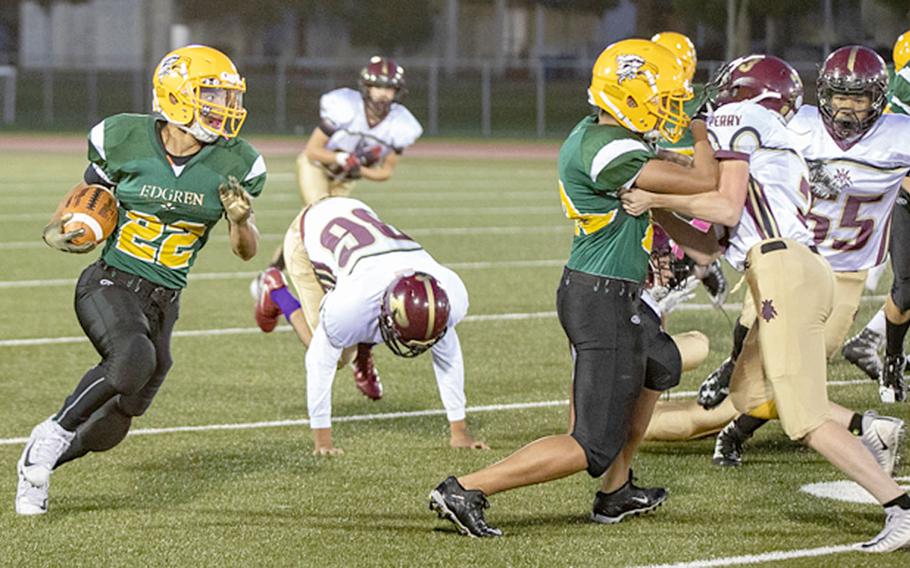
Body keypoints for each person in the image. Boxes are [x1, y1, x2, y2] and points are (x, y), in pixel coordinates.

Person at [427, 38, 719, 537]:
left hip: (607, 291)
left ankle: (616, 492)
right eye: (665, 98)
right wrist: (703, 127)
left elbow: (656, 204)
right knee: (590, 443)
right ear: (629, 96)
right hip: (599, 297)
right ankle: (466, 488)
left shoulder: (602, 136)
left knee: (662, 362)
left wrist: (697, 243)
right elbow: (707, 179)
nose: (672, 109)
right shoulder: (610, 150)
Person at [620, 53, 910, 553]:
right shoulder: (779, 138)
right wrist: (660, 211)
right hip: (799, 268)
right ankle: (871, 430)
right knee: (750, 396)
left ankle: (899, 508)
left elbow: (724, 204)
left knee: (805, 418)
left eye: (728, 88)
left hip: (786, 271)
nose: (717, 98)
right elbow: (710, 246)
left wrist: (656, 196)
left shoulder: (743, 116)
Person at [15, 45, 265, 516]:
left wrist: (239, 220)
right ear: (176, 95)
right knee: (133, 357)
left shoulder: (237, 162)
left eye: (227, 98)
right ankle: (48, 437)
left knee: (122, 415)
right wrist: (78, 226)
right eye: (211, 94)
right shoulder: (123, 137)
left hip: (165, 300)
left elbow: (245, 251)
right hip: (110, 282)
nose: (224, 108)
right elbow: (88, 198)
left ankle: (39, 466)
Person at [695, 46, 910, 470]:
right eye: (838, 96)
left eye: (859, 98)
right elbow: (739, 166)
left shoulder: (900, 135)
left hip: (845, 273)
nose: (846, 108)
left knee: (799, 371)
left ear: (879, 99)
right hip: (786, 254)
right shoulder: (797, 124)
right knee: (749, 332)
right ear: (822, 95)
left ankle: (735, 432)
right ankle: (732, 365)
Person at [254, 196, 487, 455]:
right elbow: (319, 362)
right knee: (340, 355)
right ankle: (276, 290)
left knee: (358, 331)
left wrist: (460, 431)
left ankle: (362, 351)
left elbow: (448, 355)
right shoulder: (352, 306)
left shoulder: (446, 295)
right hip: (306, 234)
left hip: (355, 217)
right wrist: (323, 442)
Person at [254, 55, 423, 400]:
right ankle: (276, 280)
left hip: (347, 179)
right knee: (316, 217)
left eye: (388, 88)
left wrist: (357, 168)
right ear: (364, 86)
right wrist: (339, 158)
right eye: (377, 86)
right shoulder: (343, 107)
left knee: (321, 234)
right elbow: (314, 150)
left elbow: (385, 170)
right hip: (318, 168)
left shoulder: (401, 125)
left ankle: (276, 282)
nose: (381, 94)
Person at [841, 31, 910, 402]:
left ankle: (870, 341)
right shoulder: (908, 80)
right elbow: (894, 148)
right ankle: (892, 364)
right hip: (904, 187)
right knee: (907, 288)